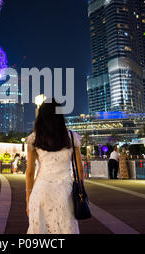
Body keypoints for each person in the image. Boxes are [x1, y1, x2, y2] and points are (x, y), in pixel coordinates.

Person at [25, 99, 83, 234]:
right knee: (65, 228)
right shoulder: (71, 137)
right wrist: (79, 189)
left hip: (41, 191)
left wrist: (28, 198)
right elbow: (80, 169)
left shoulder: (34, 139)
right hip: (65, 191)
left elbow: (29, 173)